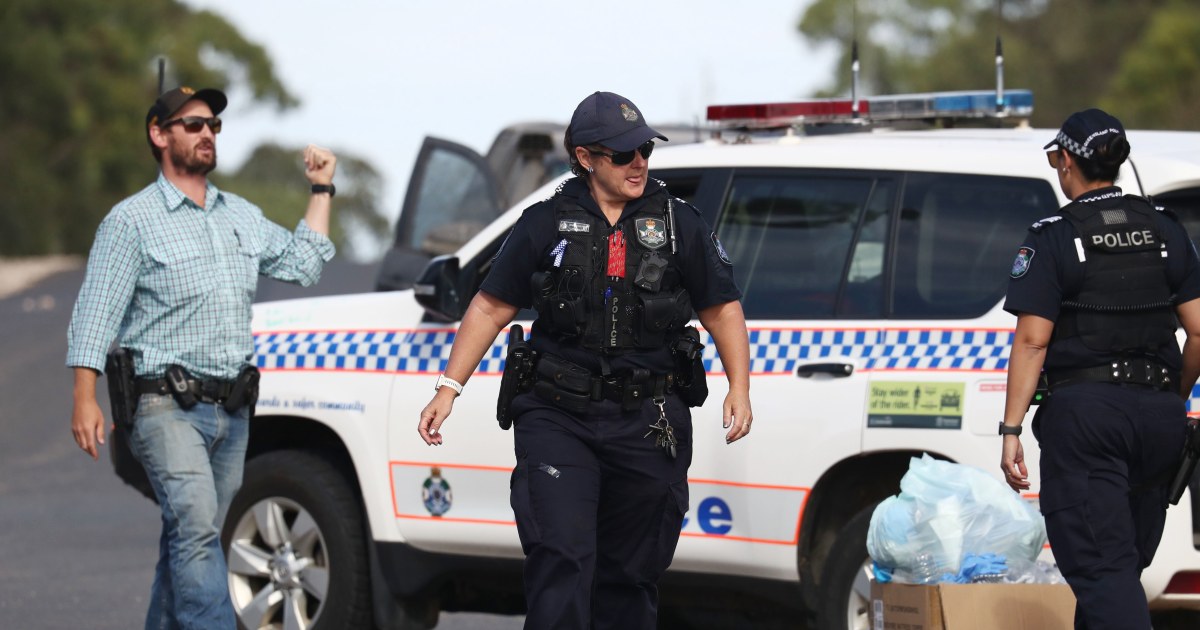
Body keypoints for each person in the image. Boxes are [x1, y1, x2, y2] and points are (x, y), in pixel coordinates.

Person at [417, 91, 753, 629]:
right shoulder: (543, 222)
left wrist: (740, 386)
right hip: (558, 414)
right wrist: (448, 388)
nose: (638, 162)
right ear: (584, 157)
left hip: (648, 420)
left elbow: (723, 310)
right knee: (562, 561)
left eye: (644, 148)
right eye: (622, 154)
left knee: (628, 576)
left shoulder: (678, 223)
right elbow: (490, 305)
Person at [67, 85, 336, 629]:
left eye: (213, 125)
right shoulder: (131, 221)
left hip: (232, 410)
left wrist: (322, 187)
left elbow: (304, 264)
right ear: (159, 134)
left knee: (192, 536)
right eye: (193, 125)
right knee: (194, 529)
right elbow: (95, 312)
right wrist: (84, 397)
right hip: (163, 406)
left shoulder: (238, 213)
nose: (207, 133)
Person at [1000, 108, 1200, 629]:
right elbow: (1199, 330)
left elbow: (1032, 340)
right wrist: (1172, 399)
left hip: (1088, 421)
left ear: (1067, 160)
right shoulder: (1165, 230)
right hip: (1160, 419)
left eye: (1054, 159)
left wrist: (1011, 429)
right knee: (1117, 571)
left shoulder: (1053, 237)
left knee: (1102, 570)